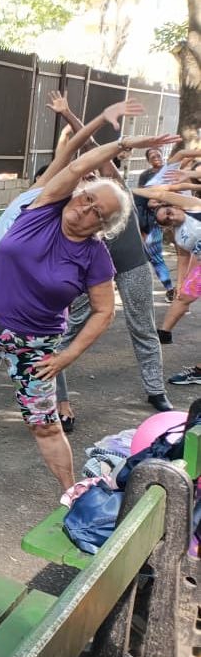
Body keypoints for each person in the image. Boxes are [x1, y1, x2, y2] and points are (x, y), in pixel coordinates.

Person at [0, 131, 178, 493]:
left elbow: (103, 312)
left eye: (99, 212)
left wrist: (67, 356)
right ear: (77, 194)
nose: (86, 209)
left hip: (33, 346)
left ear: (104, 226)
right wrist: (124, 145)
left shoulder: (95, 257)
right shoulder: (44, 209)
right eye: (87, 199)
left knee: (44, 423)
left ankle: (72, 493)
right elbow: (78, 162)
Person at [0, 94, 145, 405]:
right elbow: (69, 153)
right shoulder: (32, 195)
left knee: (40, 336)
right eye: (49, 173)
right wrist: (79, 118)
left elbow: (76, 155)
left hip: (19, 273)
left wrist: (89, 121)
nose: (54, 177)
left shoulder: (51, 204)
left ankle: (59, 401)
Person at [43, 103, 174, 430]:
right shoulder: (75, 204)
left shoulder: (115, 190)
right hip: (91, 275)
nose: (88, 175)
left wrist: (70, 116)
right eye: (83, 175)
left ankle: (155, 390)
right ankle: (59, 400)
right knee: (64, 333)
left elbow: (94, 150)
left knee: (143, 327)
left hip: (132, 266)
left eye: (93, 171)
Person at [134, 185, 201, 384]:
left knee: (186, 295)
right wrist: (180, 283)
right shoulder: (179, 235)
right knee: (183, 296)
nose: (170, 218)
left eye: (169, 213)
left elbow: (160, 193)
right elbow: (183, 256)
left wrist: (129, 190)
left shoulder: (194, 207)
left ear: (175, 206)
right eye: (166, 220)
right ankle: (163, 334)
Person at [135, 147, 176, 299]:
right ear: (148, 160)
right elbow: (141, 198)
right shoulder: (145, 175)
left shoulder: (169, 173)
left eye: (157, 154)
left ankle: (171, 289)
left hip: (161, 220)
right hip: (146, 220)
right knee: (146, 256)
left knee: (155, 256)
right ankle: (169, 288)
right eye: (152, 156)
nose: (155, 157)